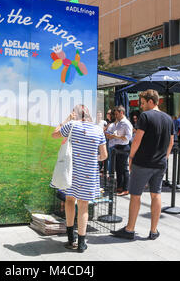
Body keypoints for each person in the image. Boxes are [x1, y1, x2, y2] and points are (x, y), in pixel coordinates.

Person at [112, 89, 174, 240]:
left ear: (151, 102)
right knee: (156, 194)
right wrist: (164, 158)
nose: (141, 106)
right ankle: (153, 231)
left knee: (135, 196)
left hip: (143, 162)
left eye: (143, 103)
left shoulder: (145, 116)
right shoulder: (168, 119)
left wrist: (131, 157)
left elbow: (137, 139)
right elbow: (171, 142)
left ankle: (130, 229)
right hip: (160, 163)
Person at [52, 104, 107, 253]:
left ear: (75, 114)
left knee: (70, 200)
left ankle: (71, 239)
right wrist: (90, 158)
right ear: (88, 115)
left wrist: (66, 120)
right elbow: (104, 156)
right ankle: (82, 243)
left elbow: (54, 134)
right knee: (84, 205)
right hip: (89, 172)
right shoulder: (98, 129)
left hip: (72, 171)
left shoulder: (71, 125)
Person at [105, 106, 133, 196]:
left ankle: (126, 188)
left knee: (124, 169)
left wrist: (114, 136)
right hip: (117, 147)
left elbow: (128, 137)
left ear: (122, 113)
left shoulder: (126, 123)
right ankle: (120, 187)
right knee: (118, 168)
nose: (115, 116)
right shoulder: (119, 123)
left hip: (124, 147)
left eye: (116, 114)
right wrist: (111, 135)